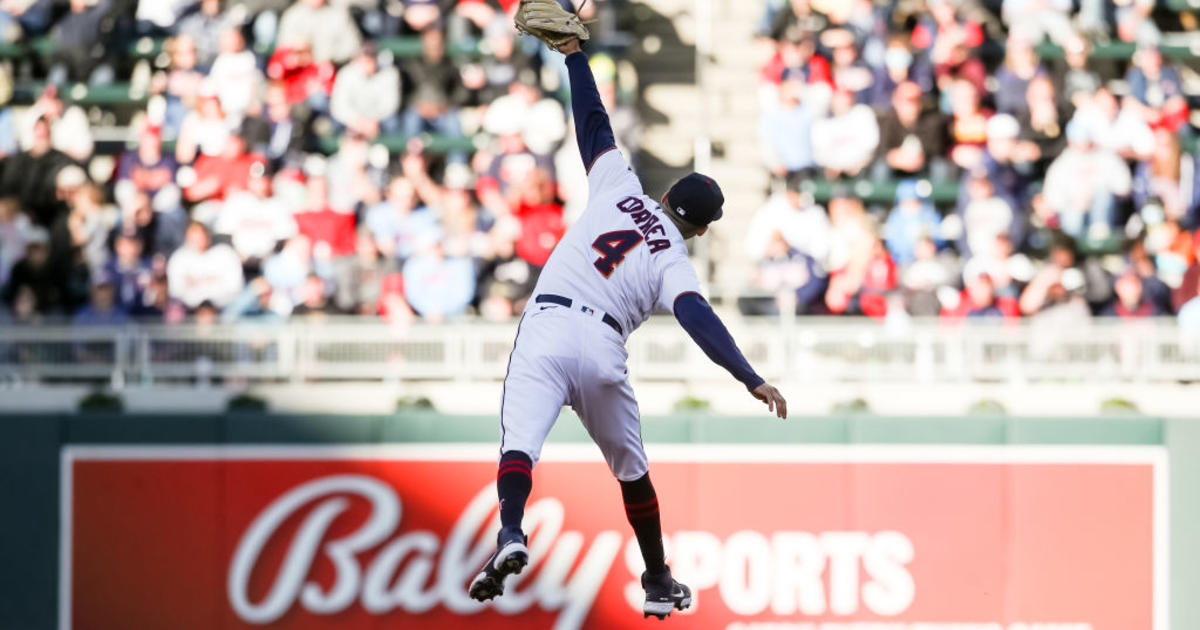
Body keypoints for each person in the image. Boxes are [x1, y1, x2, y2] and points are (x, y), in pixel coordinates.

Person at [468, 31, 788, 620]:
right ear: (702, 228)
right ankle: (659, 578)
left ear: (666, 193)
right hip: (603, 344)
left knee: (519, 447)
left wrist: (573, 56)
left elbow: (592, 121)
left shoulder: (619, 188)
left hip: (547, 323)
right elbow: (697, 317)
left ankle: (511, 531)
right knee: (632, 471)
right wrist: (749, 377)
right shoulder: (674, 257)